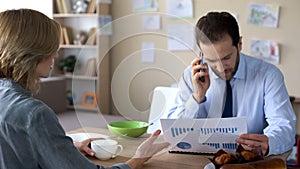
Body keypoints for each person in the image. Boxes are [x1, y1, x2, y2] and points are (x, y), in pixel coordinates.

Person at [0, 9, 169, 169]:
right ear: (30, 53)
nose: (56, 55)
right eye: (51, 48)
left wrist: (62, 148)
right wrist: (137, 160)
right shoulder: (34, 114)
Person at [168, 11, 296, 156]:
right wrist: (196, 97)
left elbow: (284, 126)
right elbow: (173, 132)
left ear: (239, 44)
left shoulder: (268, 76)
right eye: (212, 60)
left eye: (226, 58)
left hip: (249, 161)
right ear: (201, 55)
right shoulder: (192, 76)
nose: (220, 68)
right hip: (201, 160)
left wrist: (269, 142)